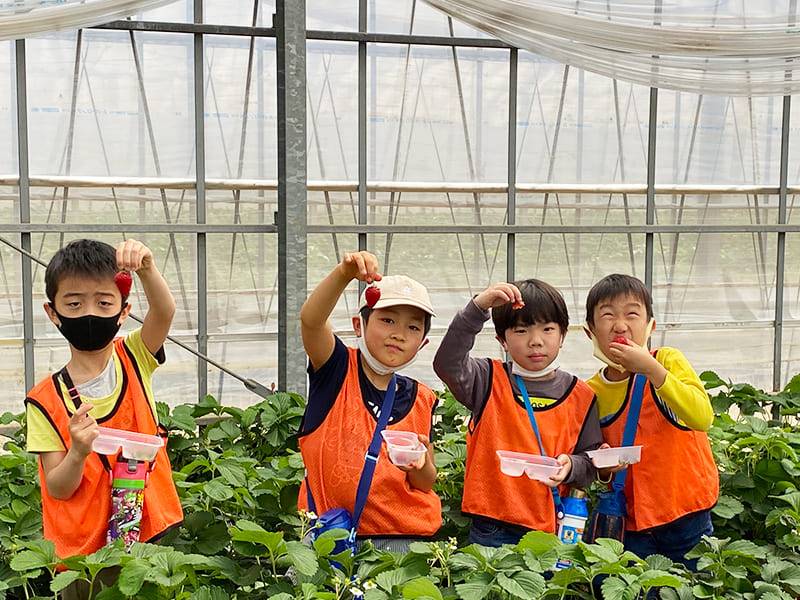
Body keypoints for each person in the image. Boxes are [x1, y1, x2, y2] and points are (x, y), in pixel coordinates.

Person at [24, 239, 183, 595]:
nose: (89, 313)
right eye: (74, 303)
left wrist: (146, 268)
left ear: (123, 311)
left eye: (104, 301)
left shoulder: (135, 357)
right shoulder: (45, 400)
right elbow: (58, 487)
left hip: (145, 540)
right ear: (54, 313)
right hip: (83, 558)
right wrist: (78, 451)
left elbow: (165, 311)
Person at [433, 279, 601, 546]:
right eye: (521, 331)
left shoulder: (581, 396)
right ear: (502, 340)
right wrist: (478, 308)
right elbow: (447, 363)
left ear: (563, 335)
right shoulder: (487, 379)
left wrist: (571, 466)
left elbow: (591, 460)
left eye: (548, 329)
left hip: (549, 529)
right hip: (491, 526)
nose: (536, 341)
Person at [297, 251, 441, 552]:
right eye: (387, 320)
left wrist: (419, 464)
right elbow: (311, 322)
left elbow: (426, 483)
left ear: (422, 343)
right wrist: (344, 274)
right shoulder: (335, 370)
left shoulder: (421, 398)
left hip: (403, 541)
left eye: (413, 328)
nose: (399, 334)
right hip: (334, 534)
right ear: (358, 325)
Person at [584, 273, 718, 567]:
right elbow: (595, 462)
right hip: (632, 523)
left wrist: (653, 370)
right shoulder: (590, 392)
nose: (621, 325)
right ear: (590, 331)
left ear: (650, 326)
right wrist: (605, 467)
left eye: (632, 314)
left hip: (687, 514)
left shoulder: (668, 360)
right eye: (607, 316)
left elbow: (702, 417)